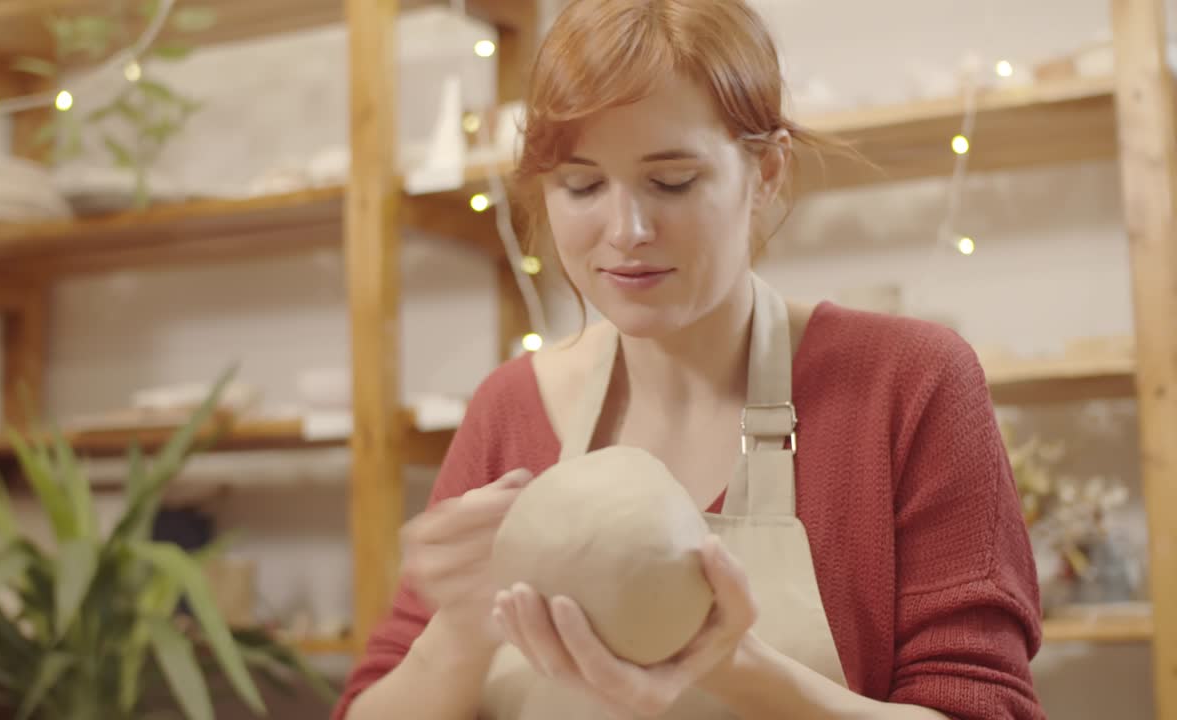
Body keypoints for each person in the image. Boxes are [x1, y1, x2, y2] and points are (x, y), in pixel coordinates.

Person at [332, 0, 1045, 718]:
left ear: (766, 172)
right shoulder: (508, 409)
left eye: (671, 181)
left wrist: (738, 669)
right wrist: (455, 634)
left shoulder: (908, 383)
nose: (626, 231)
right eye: (581, 185)